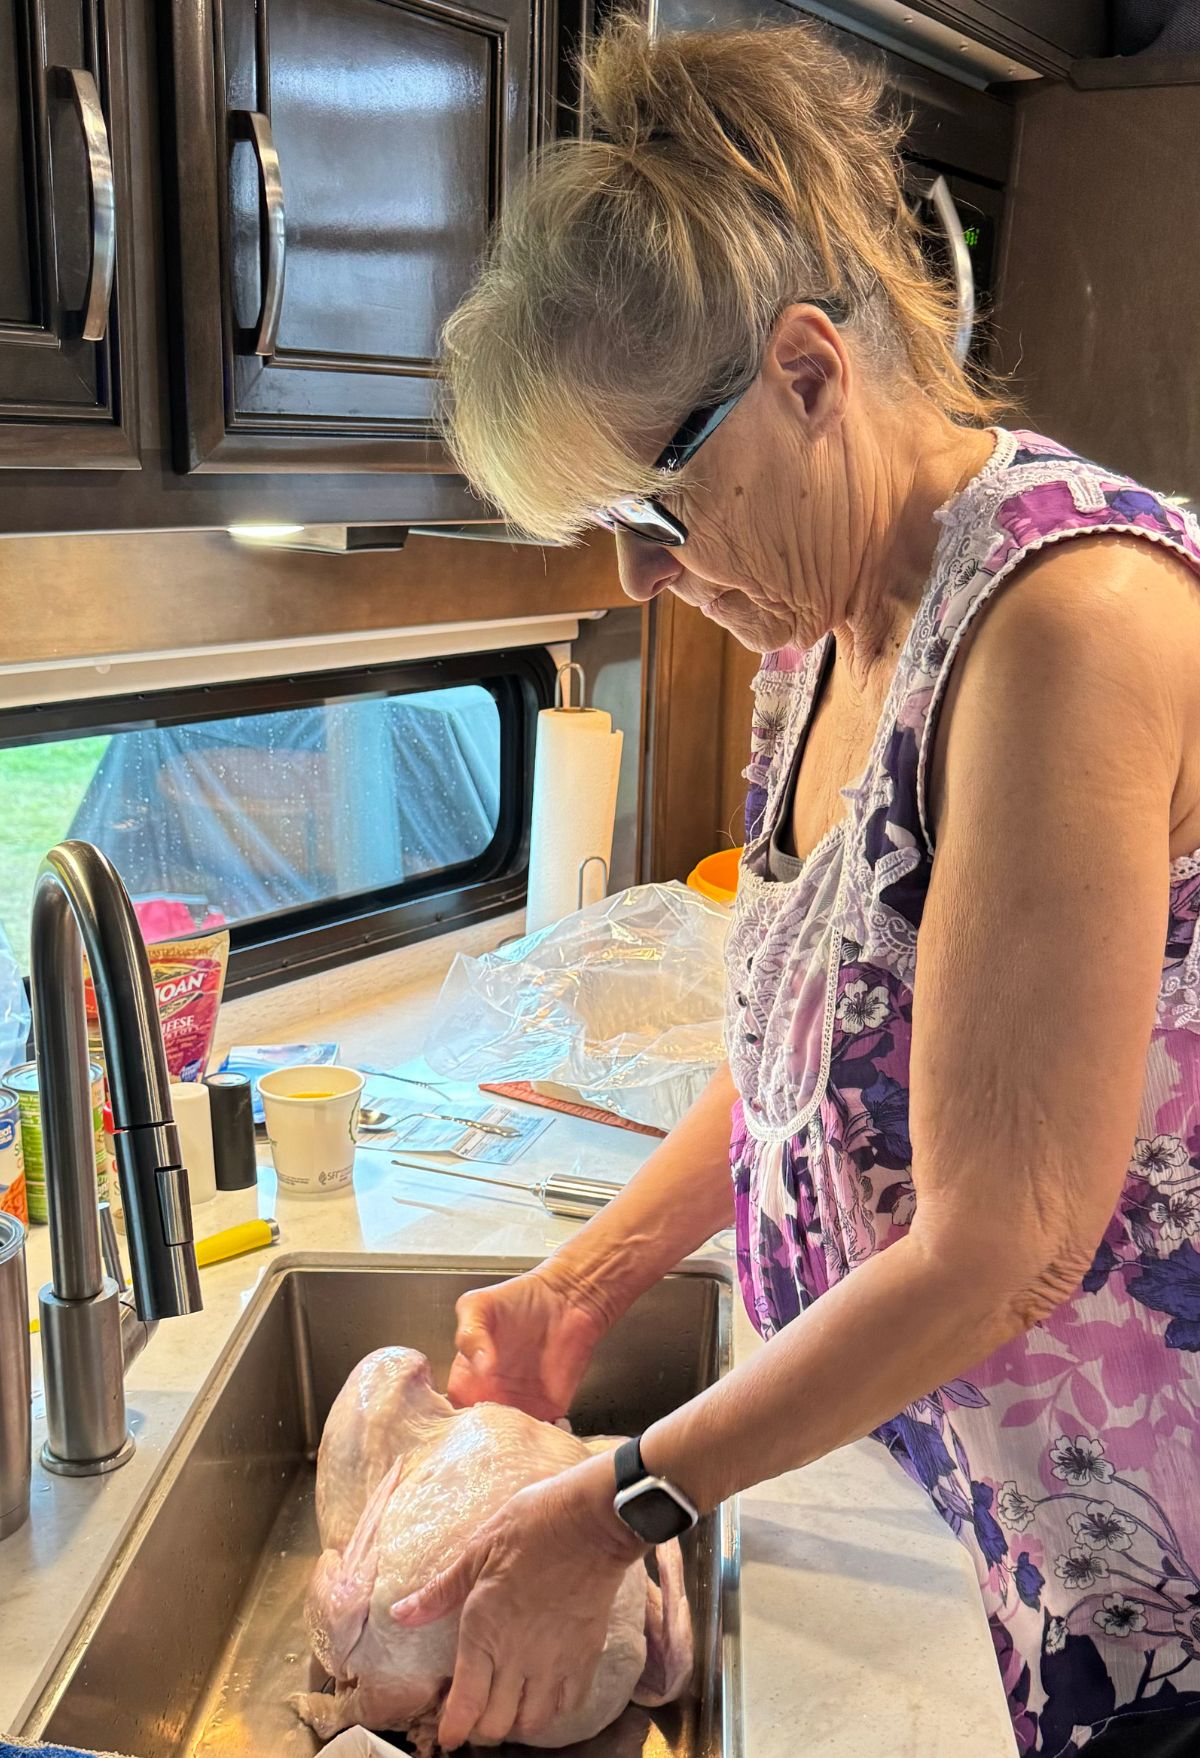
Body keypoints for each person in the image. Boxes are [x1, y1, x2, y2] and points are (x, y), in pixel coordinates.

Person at [388, 20, 1200, 1756]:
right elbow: (801, 1060)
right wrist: (585, 1286)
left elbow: (1009, 1243)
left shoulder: (1069, 618)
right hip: (938, 1474)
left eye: (655, 503)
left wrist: (619, 1502)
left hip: (1138, 1546)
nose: (640, 573)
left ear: (811, 371)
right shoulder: (818, 627)